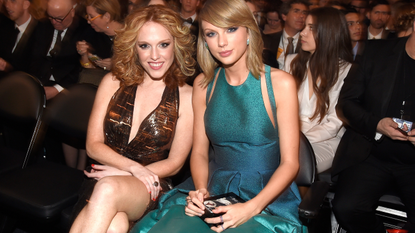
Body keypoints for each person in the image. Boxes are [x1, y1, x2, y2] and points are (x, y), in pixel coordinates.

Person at [132, 0, 305, 232]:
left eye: (231, 29)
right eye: (211, 33)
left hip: (266, 197)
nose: (221, 42)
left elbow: (290, 163)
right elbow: (200, 153)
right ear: (204, 40)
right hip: (215, 188)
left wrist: (251, 208)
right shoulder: (203, 84)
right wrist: (201, 191)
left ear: (248, 31)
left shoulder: (279, 83)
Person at [69, 5, 195, 233]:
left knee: (107, 189)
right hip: (103, 175)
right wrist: (132, 168)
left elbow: (175, 163)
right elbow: (93, 145)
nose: (155, 56)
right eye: (145, 46)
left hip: (151, 183)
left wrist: (131, 172)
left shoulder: (187, 96)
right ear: (133, 48)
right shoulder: (112, 82)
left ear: (176, 45)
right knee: (115, 225)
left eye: (163, 45)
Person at [331, 16, 415, 233]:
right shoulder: (375, 52)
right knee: (347, 207)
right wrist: (377, 124)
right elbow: (346, 104)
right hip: (371, 153)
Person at [284, 7, 353, 173]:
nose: (302, 33)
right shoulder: (292, 62)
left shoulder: (346, 70)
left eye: (311, 28)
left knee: (293, 166)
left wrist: (295, 141)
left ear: (329, 33)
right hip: (289, 136)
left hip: (325, 141)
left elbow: (334, 124)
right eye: (305, 27)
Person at [29, 0, 96, 100]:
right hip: (38, 81)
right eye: (51, 17)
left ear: (72, 12)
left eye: (59, 19)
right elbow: (33, 56)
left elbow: (80, 69)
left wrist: (57, 89)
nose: (54, 22)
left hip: (66, 87)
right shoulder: (43, 25)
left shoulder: (85, 30)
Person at [0, 0, 38, 77]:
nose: (7, 5)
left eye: (13, 1)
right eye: (6, 1)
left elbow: (35, 69)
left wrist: (8, 67)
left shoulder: (40, 32)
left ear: (26, 4)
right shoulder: (5, 27)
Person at [275, 0, 309, 69]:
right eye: (296, 11)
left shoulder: (309, 42)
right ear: (284, 16)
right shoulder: (268, 40)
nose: (301, 16)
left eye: (304, 13)